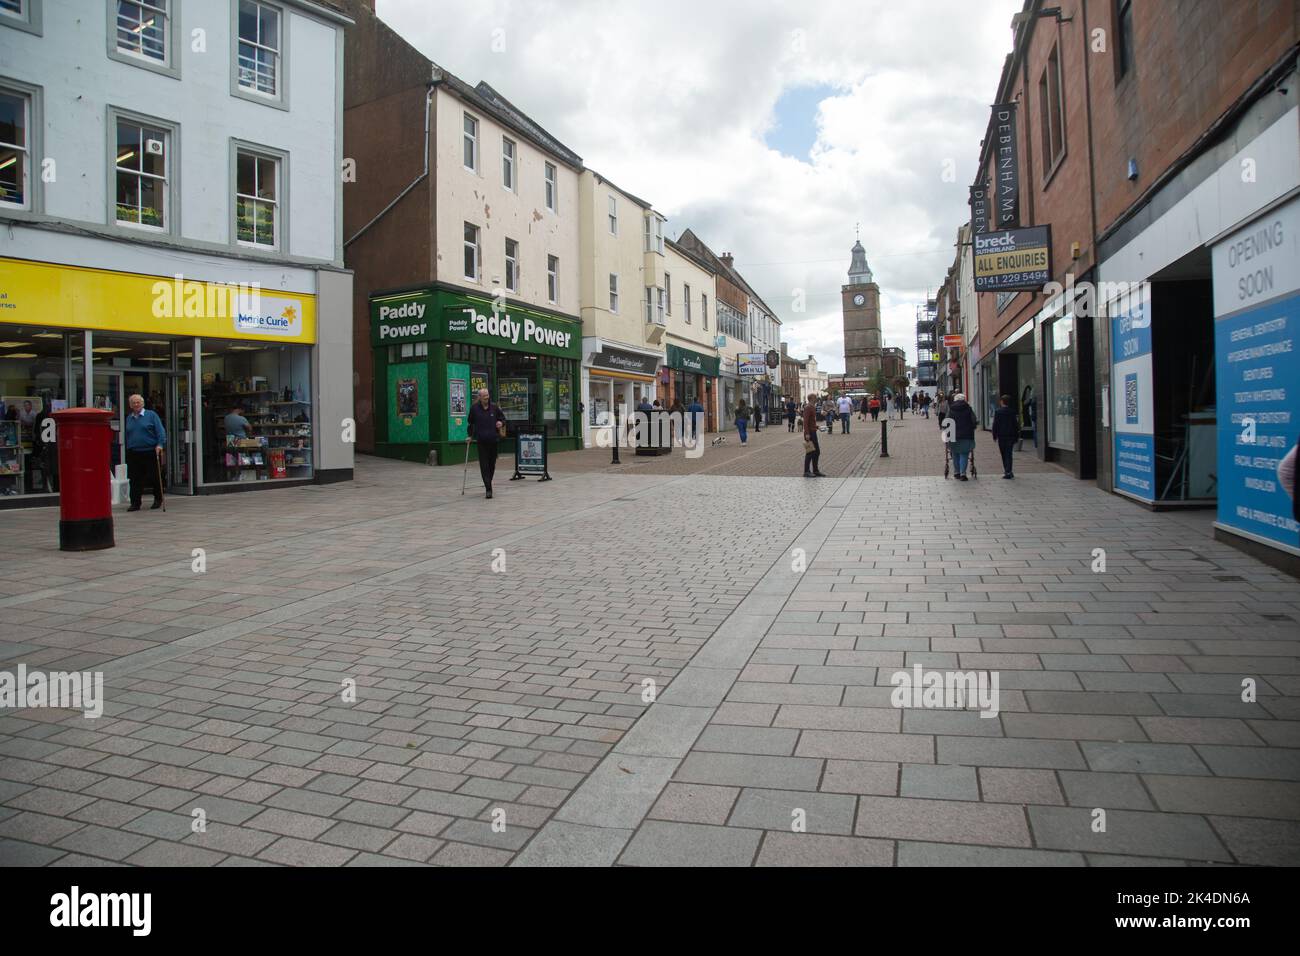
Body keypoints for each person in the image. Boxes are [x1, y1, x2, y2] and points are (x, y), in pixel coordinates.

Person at [124, 393, 166, 511]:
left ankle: (158, 499)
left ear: (142, 404)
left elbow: (160, 431)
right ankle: (135, 503)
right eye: (133, 403)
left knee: (154, 477)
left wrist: (160, 444)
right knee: (135, 479)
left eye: (138, 402)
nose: (136, 404)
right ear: (130, 405)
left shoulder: (151, 415)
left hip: (150, 451)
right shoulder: (129, 417)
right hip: (134, 452)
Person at [468, 388, 506, 498]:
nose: (486, 397)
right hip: (481, 441)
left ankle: (488, 481)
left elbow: (503, 419)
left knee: (491, 464)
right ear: (479, 397)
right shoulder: (474, 409)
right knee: (484, 465)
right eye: (484, 396)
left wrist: (501, 423)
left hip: (493, 440)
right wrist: (470, 436)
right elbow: (470, 423)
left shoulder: (494, 407)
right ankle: (488, 488)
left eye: (487, 395)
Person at [947, 391, 977, 480]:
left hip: (953, 435)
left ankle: (957, 472)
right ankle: (963, 474)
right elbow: (974, 421)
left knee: (955, 453)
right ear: (964, 400)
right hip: (966, 435)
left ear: (955, 400)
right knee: (964, 453)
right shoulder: (969, 409)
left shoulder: (951, 409)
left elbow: (946, 421)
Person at [991, 394, 1020, 479]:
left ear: (1001, 402)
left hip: (1002, 436)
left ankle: (1007, 470)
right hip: (1010, 435)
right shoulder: (1012, 412)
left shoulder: (998, 412)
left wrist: (994, 435)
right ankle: (1009, 470)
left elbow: (995, 424)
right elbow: (1015, 425)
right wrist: (1016, 436)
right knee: (1009, 453)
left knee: (1003, 453)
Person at [802, 396, 825, 478]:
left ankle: (815, 470)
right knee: (810, 452)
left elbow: (811, 421)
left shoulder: (812, 407)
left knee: (816, 452)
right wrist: (807, 433)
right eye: (815, 398)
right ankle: (806, 471)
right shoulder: (808, 408)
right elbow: (805, 421)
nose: (817, 399)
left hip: (813, 431)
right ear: (812, 399)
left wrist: (816, 427)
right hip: (810, 433)